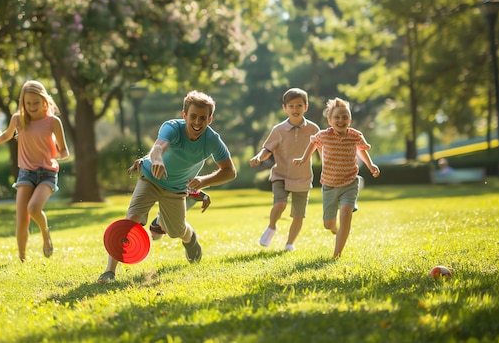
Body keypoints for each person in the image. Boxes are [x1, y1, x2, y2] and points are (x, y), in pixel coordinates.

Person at [97, 90, 236, 283]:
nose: (197, 122)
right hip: (151, 178)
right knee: (131, 220)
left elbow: (230, 171)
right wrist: (157, 160)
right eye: (193, 116)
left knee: (176, 231)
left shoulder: (212, 140)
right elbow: (158, 147)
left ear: (210, 119)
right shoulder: (172, 127)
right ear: (184, 115)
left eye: (203, 118)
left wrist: (203, 181)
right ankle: (109, 272)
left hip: (177, 188)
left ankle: (191, 239)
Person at [0, 80, 70, 262]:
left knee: (33, 208)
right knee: (22, 217)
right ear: (22, 103)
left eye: (36, 102)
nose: (32, 106)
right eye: (28, 103)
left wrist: (59, 156)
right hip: (25, 172)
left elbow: (64, 150)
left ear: (44, 101)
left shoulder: (53, 122)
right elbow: (5, 137)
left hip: (47, 173)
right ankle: (22, 259)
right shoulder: (18, 119)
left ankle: (45, 233)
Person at [293, 97, 379, 258]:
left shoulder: (355, 135)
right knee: (328, 223)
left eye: (345, 117)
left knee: (346, 213)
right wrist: (304, 158)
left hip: (350, 182)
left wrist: (370, 165)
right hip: (330, 184)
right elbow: (313, 143)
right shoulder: (324, 135)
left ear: (350, 120)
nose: (341, 120)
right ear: (330, 120)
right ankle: (334, 229)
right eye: (337, 117)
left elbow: (362, 150)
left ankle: (337, 254)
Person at [249, 88, 320, 251]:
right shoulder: (278, 130)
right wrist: (259, 157)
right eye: (291, 106)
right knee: (280, 204)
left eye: (299, 105)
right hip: (281, 174)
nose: (295, 109)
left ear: (306, 107)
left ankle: (289, 244)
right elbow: (267, 149)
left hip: (303, 177)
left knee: (298, 214)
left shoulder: (314, 129)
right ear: (285, 108)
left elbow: (323, 150)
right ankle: (272, 226)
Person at [126, 158, 212, 240]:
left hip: (178, 197)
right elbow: (159, 150)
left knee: (175, 230)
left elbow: (190, 187)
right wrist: (145, 161)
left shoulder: (184, 171)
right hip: (158, 182)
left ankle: (187, 236)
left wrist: (202, 196)